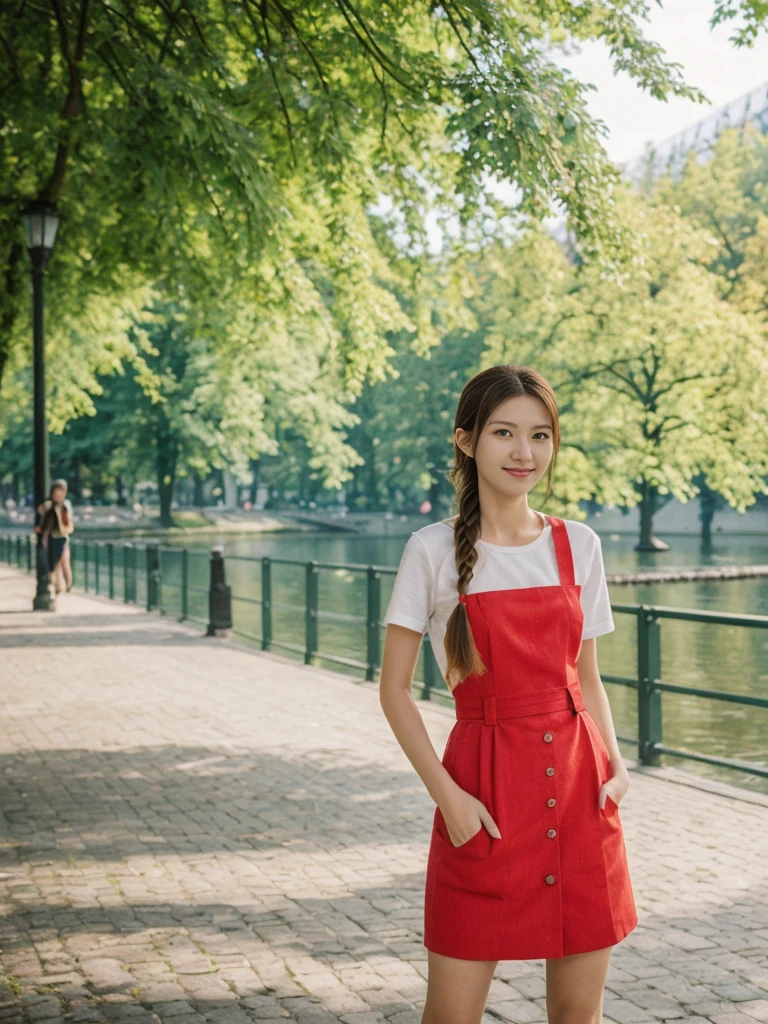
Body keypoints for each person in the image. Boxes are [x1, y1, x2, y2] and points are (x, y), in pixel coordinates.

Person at [379, 365, 637, 1024]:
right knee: (451, 1017)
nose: (525, 453)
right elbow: (395, 691)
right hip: (484, 799)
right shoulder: (430, 551)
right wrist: (450, 799)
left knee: (578, 1017)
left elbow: (587, 676)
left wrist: (616, 763)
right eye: (504, 434)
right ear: (465, 441)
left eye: (540, 436)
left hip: (582, 795)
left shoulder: (579, 544)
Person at [36, 479, 75, 594]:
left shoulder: (66, 505)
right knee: (54, 563)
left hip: (62, 537)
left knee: (64, 560)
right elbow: (41, 513)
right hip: (51, 537)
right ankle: (56, 586)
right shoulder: (48, 505)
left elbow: (68, 522)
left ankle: (67, 585)